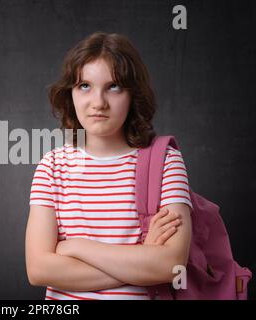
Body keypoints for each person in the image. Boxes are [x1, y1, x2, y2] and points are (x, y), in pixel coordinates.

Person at [25, 32, 193, 300]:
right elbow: (38, 269)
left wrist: (76, 247)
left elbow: (171, 266)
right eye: (85, 86)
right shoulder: (52, 167)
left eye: (113, 86)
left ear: (132, 94)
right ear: (71, 93)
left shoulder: (166, 162)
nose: (98, 103)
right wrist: (141, 259)